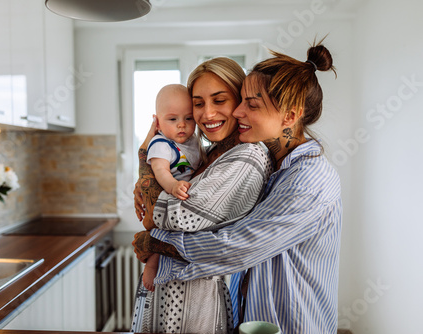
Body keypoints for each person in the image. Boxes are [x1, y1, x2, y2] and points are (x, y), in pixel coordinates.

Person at [133, 40, 342, 334]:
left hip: (293, 324)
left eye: (250, 104)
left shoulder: (309, 180)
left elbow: (238, 246)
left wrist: (157, 242)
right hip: (255, 321)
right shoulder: (276, 166)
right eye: (241, 100)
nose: (239, 112)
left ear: (290, 117)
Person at [131, 57, 273, 334]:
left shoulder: (246, 157)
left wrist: (143, 160)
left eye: (220, 100)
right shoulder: (208, 153)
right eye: (198, 103)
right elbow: (158, 206)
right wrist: (147, 181)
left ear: (240, 103)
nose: (207, 114)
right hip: (172, 294)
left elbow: (172, 216)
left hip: (194, 304)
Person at [142, 84, 202, 291]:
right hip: (166, 198)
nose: (182, 125)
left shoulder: (193, 141)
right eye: (173, 119)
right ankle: (151, 264)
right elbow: (161, 171)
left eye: (188, 118)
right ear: (157, 122)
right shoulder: (161, 144)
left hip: (183, 197)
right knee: (161, 235)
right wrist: (173, 185)